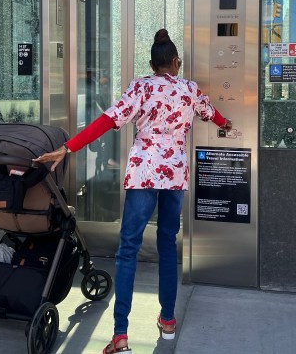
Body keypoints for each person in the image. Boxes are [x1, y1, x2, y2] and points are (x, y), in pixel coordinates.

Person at [33, 29, 232, 354]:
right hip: (174, 178)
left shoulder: (140, 86)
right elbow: (215, 116)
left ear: (152, 64)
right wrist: (226, 126)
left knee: (128, 250)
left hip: (143, 175)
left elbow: (107, 121)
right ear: (176, 62)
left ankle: (121, 336)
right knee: (168, 245)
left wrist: (67, 148)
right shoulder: (189, 89)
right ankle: (167, 321)